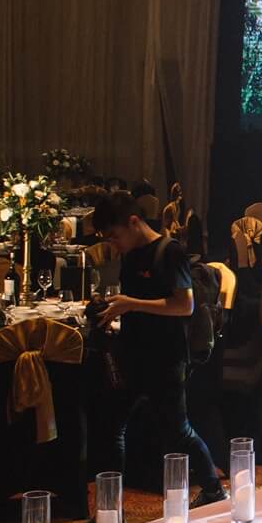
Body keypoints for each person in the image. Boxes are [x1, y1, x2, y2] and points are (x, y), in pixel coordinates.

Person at [90, 193, 224, 506]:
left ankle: (214, 489)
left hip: (166, 356)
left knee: (178, 431)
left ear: (134, 222)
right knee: (112, 428)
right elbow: (134, 301)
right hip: (132, 352)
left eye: (115, 236)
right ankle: (110, 512)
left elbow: (184, 306)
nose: (113, 244)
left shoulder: (170, 251)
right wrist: (113, 309)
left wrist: (131, 304)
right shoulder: (130, 254)